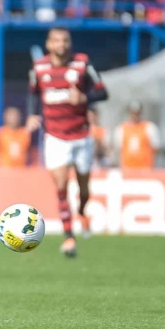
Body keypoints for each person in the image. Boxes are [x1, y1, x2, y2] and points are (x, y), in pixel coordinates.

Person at [26, 27, 107, 257]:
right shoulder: (39, 67)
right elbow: (33, 92)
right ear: (49, 44)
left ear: (69, 43)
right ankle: (69, 237)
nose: (61, 44)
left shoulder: (82, 64)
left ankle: (82, 210)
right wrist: (32, 114)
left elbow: (102, 92)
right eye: (56, 41)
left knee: (83, 188)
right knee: (60, 186)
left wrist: (85, 97)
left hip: (81, 135)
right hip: (55, 135)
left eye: (65, 40)